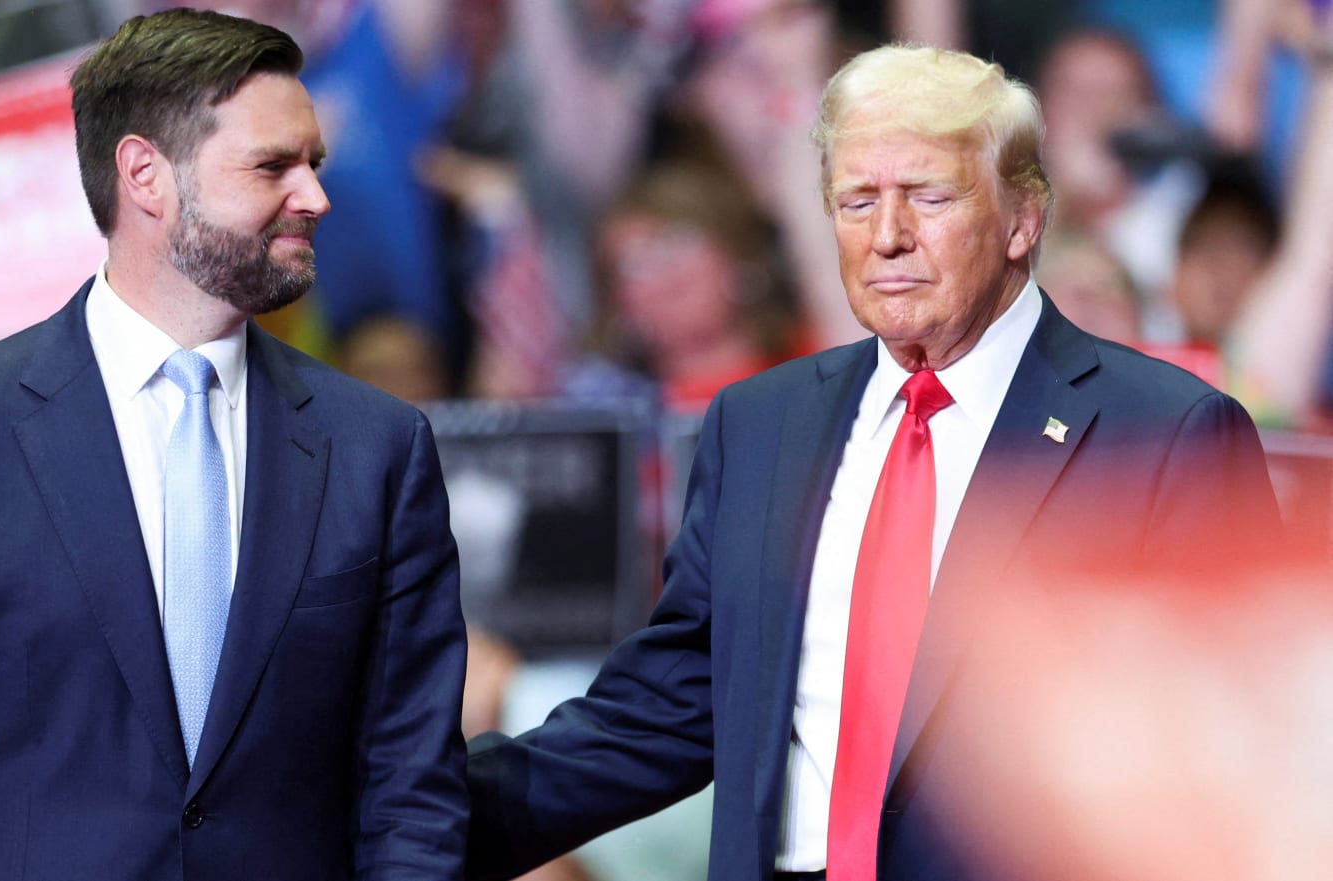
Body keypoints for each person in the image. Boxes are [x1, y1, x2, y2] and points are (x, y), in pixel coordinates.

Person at [466, 44, 1280, 881]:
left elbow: (1229, 764)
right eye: (856, 201)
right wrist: (415, 815)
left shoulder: (1165, 435)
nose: (887, 236)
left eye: (928, 197)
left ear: (1021, 219)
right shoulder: (759, 425)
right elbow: (667, 707)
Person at [0, 9, 468, 880]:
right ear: (145, 175)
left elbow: (411, 795)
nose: (315, 196)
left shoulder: (380, 448)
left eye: (314, 163)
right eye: (274, 165)